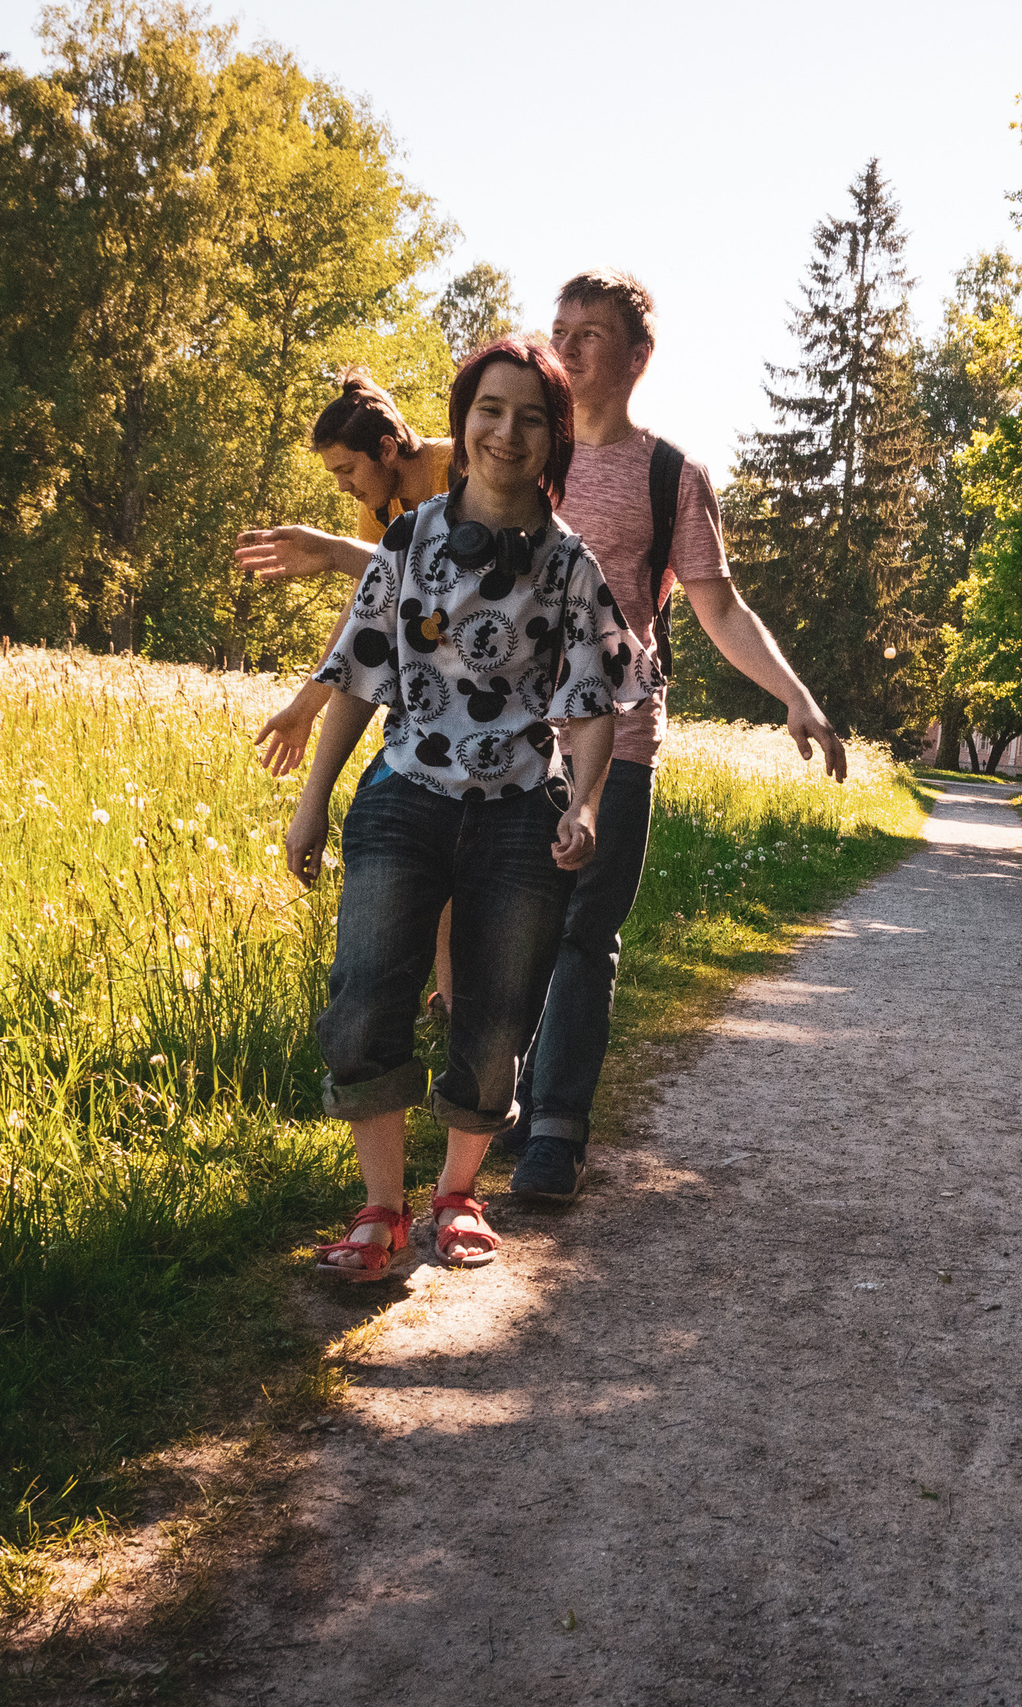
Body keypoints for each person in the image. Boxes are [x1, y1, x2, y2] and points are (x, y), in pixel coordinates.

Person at [286, 336, 658, 1280]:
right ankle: (380, 1210)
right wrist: (313, 801)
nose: (506, 432)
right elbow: (359, 675)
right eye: (490, 410)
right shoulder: (408, 540)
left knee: (496, 1022)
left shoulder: (571, 566)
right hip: (403, 796)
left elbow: (592, 705)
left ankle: (457, 1194)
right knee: (364, 1000)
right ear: (463, 422)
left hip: (518, 813)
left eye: (531, 417)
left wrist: (584, 807)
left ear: (554, 439)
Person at [504, 269, 847, 1200]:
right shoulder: (518, 451)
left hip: (618, 737)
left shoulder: (671, 476)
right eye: (558, 329)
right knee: (517, 927)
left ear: (638, 356)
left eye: (589, 333)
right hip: (508, 736)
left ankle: (555, 1134)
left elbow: (720, 608)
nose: (566, 348)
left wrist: (795, 694)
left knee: (584, 931)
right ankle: (507, 1099)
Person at [239, 372, 455, 777]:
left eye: (347, 469)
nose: (342, 486)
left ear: (386, 449)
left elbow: (459, 577)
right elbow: (363, 608)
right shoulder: (379, 506)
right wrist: (304, 707)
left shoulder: (458, 469)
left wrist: (335, 552)